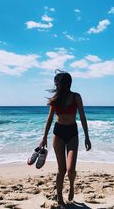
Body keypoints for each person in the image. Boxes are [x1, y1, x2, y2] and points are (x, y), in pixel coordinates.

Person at [39, 70, 91, 208]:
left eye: (57, 82)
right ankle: (60, 199)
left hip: (72, 133)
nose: (56, 85)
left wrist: (87, 137)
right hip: (59, 133)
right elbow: (50, 118)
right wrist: (44, 137)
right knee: (61, 170)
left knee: (70, 169)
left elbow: (83, 117)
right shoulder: (56, 99)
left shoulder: (76, 97)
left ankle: (72, 185)